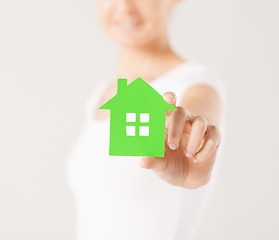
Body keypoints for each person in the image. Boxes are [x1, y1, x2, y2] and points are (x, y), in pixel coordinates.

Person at [66, 0, 227, 239]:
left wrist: (194, 149)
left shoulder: (196, 88)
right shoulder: (98, 95)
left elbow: (198, 117)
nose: (123, 6)